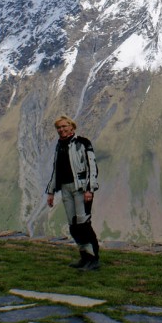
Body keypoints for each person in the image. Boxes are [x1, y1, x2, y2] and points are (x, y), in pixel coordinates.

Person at [45, 115, 101, 271]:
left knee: (83, 224)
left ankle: (93, 258)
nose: (61, 129)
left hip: (81, 189)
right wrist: (50, 192)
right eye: (59, 127)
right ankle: (84, 257)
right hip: (65, 188)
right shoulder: (59, 146)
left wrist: (90, 189)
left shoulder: (83, 143)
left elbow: (92, 166)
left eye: (64, 126)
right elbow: (56, 170)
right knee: (73, 225)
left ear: (72, 127)